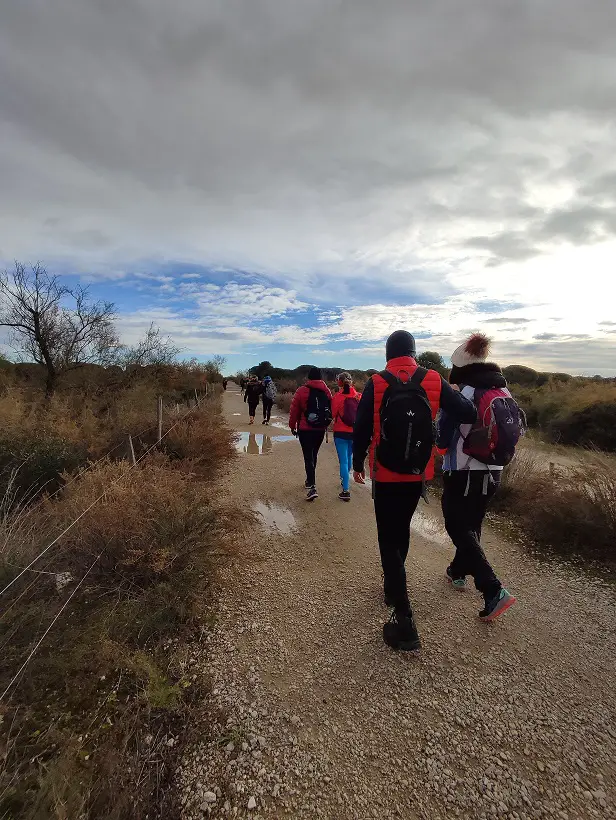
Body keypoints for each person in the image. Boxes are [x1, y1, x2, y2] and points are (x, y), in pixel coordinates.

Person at [353, 330, 477, 652]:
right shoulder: (432, 379)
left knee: (386, 536)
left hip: (385, 472)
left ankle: (403, 614)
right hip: (417, 474)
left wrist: (356, 462)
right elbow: (468, 412)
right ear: (413, 351)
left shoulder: (377, 381)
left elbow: (363, 426)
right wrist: (443, 401)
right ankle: (394, 588)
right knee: (402, 532)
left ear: (387, 353)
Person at [437, 333, 517, 621]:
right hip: (494, 471)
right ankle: (457, 572)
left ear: (460, 368)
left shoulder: (464, 393)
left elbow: (442, 438)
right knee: (472, 523)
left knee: (455, 523)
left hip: (463, 470)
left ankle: (492, 588)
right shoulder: (503, 391)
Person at [289, 367, 332, 501]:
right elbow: (330, 409)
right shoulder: (327, 391)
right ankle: (309, 480)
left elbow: (294, 410)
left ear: (308, 377)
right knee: (314, 455)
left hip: (305, 429)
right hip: (320, 429)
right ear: (321, 378)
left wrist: (292, 426)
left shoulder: (302, 391)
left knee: (308, 457)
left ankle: (312, 486)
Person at [330, 372, 361, 502]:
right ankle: (345, 481)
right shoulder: (359, 396)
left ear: (339, 383)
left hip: (340, 432)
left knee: (343, 460)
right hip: (355, 432)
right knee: (349, 458)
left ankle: (346, 489)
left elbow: (332, 414)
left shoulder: (337, 397)